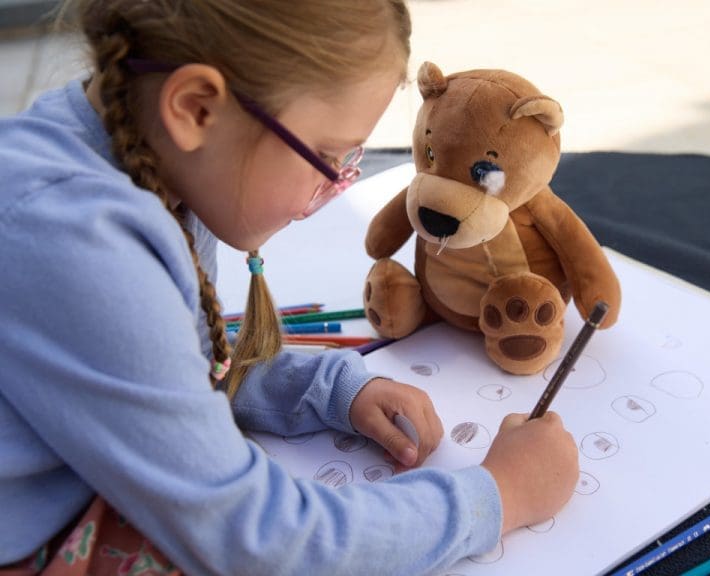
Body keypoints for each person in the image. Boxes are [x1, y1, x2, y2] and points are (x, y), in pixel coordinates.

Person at [0, 1, 579, 574]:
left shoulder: (149, 156)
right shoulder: (77, 243)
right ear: (197, 107)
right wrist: (499, 495)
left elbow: (188, 367)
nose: (334, 188)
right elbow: (258, 540)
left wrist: (330, 389)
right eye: (327, 158)